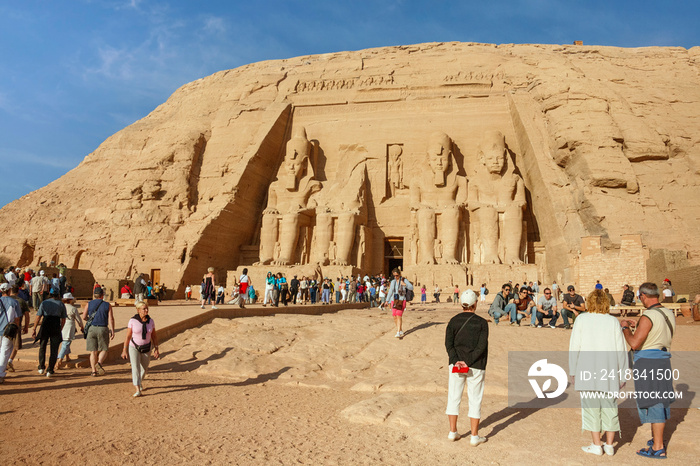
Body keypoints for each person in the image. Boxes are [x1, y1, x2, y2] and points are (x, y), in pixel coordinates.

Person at [619, 282, 676, 459]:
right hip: (663, 359)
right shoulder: (667, 312)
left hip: (649, 362)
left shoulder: (648, 316)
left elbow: (635, 343)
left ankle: (658, 447)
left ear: (643, 296)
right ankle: (657, 439)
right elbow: (655, 336)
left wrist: (625, 327)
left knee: (654, 403)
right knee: (661, 400)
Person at [569, 289, 628, 456]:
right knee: (610, 407)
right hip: (608, 371)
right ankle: (609, 445)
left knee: (591, 407)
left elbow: (575, 347)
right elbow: (621, 351)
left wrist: (573, 370)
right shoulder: (613, 322)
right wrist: (623, 374)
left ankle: (596, 444)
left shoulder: (582, 319)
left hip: (587, 370)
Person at [445, 289, 488, 446]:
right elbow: (481, 346)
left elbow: (449, 344)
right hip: (476, 365)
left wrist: (457, 361)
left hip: (456, 365)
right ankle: (474, 436)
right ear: (475, 303)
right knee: (475, 399)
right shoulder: (482, 323)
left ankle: (452, 432)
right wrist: (468, 361)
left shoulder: (453, 321)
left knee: (454, 397)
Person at [121, 301, 160, 397]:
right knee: (135, 368)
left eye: (147, 308)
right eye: (144, 309)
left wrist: (156, 348)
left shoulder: (151, 321)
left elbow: (154, 336)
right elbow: (128, 336)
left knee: (144, 368)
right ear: (138, 310)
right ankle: (138, 388)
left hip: (147, 347)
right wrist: (124, 349)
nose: (146, 310)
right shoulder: (132, 321)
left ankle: (139, 381)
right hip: (134, 347)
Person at [32, 288, 67, 377]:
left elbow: (38, 316)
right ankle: (50, 369)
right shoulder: (61, 304)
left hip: (46, 323)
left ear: (50, 294)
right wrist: (60, 328)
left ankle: (41, 367)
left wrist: (34, 328)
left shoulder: (44, 303)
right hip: (55, 324)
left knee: (42, 346)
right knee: (54, 348)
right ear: (58, 295)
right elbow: (63, 319)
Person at [82, 287, 115, 376]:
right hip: (103, 328)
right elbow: (111, 318)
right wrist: (112, 330)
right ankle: (99, 363)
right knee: (104, 349)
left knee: (93, 351)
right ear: (102, 295)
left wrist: (90, 320)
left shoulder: (89, 304)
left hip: (92, 328)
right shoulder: (107, 305)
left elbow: (84, 316)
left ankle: (93, 371)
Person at [55, 293, 84, 371]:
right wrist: (81, 326)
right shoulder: (73, 308)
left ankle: (67, 357)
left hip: (61, 325)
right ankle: (59, 360)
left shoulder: (60, 307)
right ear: (70, 300)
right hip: (69, 325)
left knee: (66, 341)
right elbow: (78, 319)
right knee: (66, 342)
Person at [7, 284, 31, 373]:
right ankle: (9, 361)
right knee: (15, 346)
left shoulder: (5, 300)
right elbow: (27, 315)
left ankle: (4, 362)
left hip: (4, 326)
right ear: (18, 291)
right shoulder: (21, 301)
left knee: (5, 346)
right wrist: (26, 326)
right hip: (16, 326)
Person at [0, 283, 21, 383]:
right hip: (7, 329)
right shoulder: (14, 302)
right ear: (9, 291)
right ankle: (0, 374)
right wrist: (17, 328)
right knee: (5, 351)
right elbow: (17, 318)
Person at [385, 268, 414, 338]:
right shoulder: (393, 282)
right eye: (394, 276)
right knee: (394, 316)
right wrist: (387, 300)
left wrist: (404, 284)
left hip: (401, 300)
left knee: (398, 315)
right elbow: (390, 291)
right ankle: (400, 329)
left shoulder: (404, 280)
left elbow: (411, 287)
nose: (395, 277)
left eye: (397, 275)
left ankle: (398, 332)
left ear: (399, 274)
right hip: (394, 300)